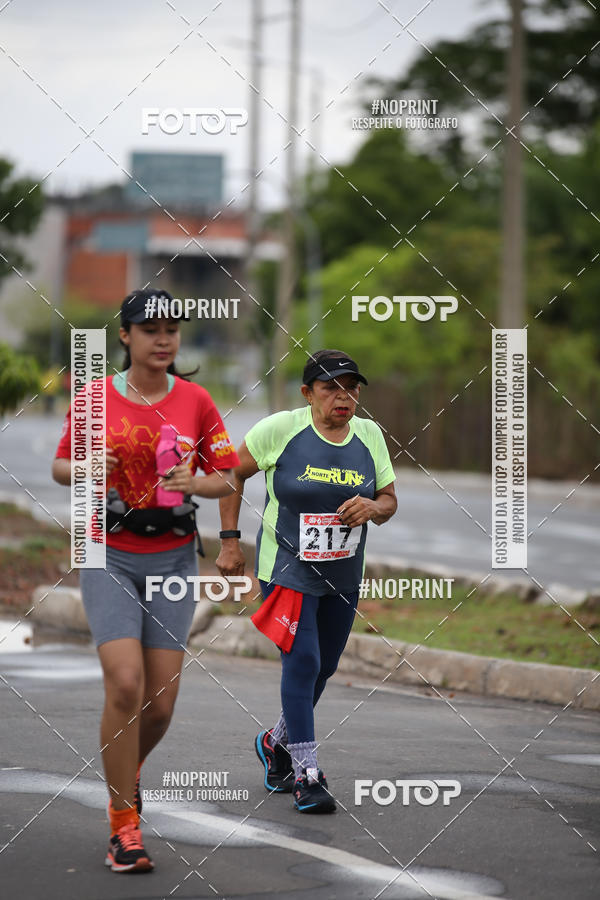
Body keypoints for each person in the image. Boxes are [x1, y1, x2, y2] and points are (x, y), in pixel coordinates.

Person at [52, 288, 239, 871]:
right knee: (126, 685)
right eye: (150, 329)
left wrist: (195, 484)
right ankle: (123, 825)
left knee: (158, 706)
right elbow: (60, 466)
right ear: (125, 335)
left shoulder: (197, 401)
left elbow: (227, 476)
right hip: (107, 550)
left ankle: (124, 765)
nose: (164, 339)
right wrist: (87, 466)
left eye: (172, 330)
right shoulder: (94, 398)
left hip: (175, 557)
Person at [216, 349, 396, 814]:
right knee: (303, 660)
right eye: (331, 387)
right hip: (286, 566)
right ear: (307, 392)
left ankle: (276, 742)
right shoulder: (279, 429)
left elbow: (389, 498)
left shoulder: (370, 436)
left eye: (352, 387)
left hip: (342, 570)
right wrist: (230, 542)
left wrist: (373, 508)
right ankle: (306, 773)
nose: (344, 396)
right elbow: (232, 474)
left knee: (325, 667)